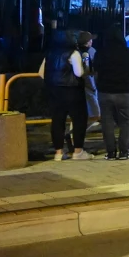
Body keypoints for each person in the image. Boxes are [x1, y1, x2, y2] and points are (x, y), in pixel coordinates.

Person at [39, 29, 89, 160]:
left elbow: (41, 73)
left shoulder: (50, 54)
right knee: (79, 120)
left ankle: (58, 153)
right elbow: (79, 73)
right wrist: (85, 67)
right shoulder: (73, 53)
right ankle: (78, 151)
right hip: (73, 91)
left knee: (57, 120)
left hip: (54, 91)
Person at [94, 28, 129, 160]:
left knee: (107, 121)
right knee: (125, 121)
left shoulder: (100, 53)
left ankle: (111, 152)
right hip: (125, 91)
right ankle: (124, 152)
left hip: (105, 91)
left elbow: (95, 70)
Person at [79, 31, 100, 130]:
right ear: (87, 42)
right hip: (89, 82)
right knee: (94, 106)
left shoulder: (76, 51)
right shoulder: (90, 51)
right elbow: (88, 70)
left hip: (77, 83)